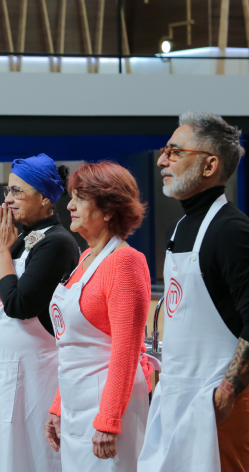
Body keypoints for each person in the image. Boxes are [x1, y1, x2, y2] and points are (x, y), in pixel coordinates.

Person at [138, 112, 249, 472]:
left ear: (209, 165)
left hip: (220, 403)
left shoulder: (232, 231)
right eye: (164, 150)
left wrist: (227, 393)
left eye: (174, 151)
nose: (161, 160)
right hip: (177, 394)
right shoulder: (181, 227)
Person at [0, 154, 79, 472]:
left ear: (45, 198)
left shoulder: (57, 243)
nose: (9, 199)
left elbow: (19, 306)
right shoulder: (19, 241)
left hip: (36, 375)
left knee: (33, 459)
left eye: (19, 191)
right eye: (8, 191)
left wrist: (2, 250)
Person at [45, 161, 152, 471]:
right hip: (77, 400)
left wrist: (109, 419)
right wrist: (58, 405)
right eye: (72, 196)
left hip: (109, 405)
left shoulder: (125, 262)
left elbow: (126, 351)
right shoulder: (84, 259)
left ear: (107, 210)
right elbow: (71, 348)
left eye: (80, 198)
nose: (70, 205)